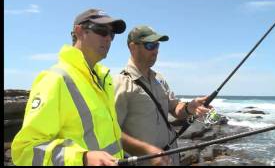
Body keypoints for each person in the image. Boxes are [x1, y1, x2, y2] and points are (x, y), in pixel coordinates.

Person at [11, 9, 168, 166]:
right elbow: (25, 150)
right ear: (79, 31)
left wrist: (147, 150)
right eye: (101, 31)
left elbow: (111, 134)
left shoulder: (103, 81)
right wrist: (83, 158)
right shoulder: (55, 79)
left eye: (112, 34)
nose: (108, 39)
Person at [114, 25, 213, 165]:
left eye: (157, 45)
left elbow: (175, 108)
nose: (155, 51)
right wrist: (148, 151)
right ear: (133, 47)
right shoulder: (120, 83)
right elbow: (111, 132)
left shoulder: (159, 79)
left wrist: (190, 107)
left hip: (171, 159)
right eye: (150, 45)